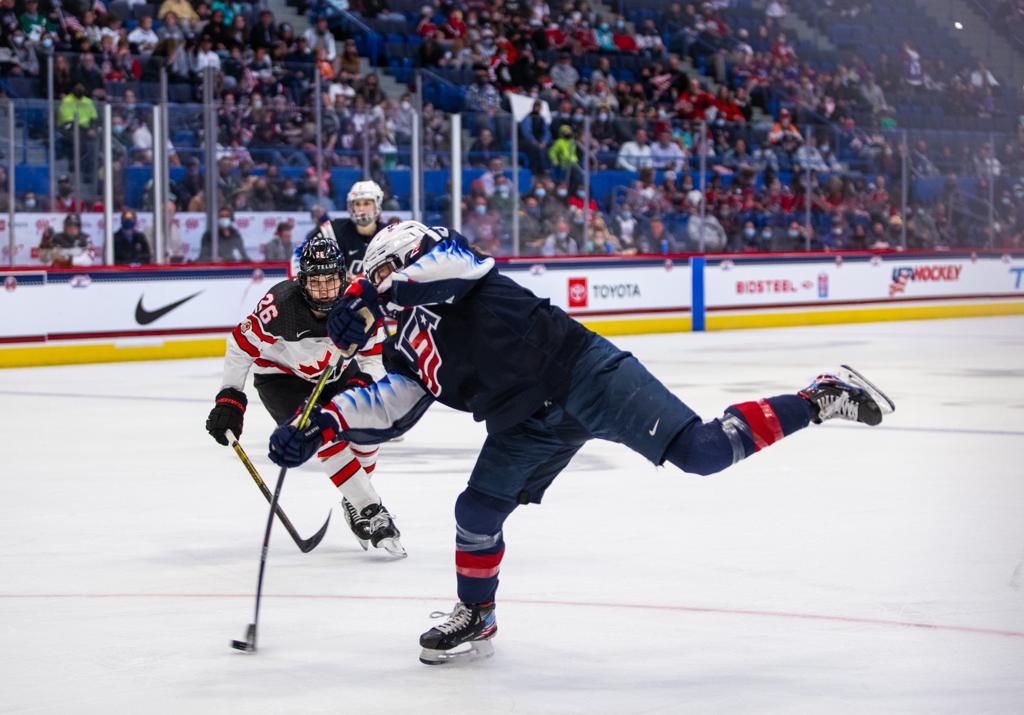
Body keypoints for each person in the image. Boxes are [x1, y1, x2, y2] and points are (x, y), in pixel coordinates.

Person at [266, 221, 895, 664]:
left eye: (379, 271)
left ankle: (818, 397)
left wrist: (373, 290)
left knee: (702, 453)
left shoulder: (446, 263)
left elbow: (451, 266)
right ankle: (477, 614)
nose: (374, 284)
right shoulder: (402, 343)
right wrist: (321, 425)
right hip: (523, 422)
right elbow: (391, 405)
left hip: (585, 373)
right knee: (476, 512)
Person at [206, 234, 404, 556]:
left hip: (337, 373)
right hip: (282, 378)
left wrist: (362, 385)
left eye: (331, 281)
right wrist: (230, 399)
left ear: (343, 277)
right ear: (301, 281)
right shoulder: (280, 306)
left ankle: (354, 498)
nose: (324, 290)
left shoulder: (360, 302)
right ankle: (370, 509)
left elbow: (374, 355)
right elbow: (240, 347)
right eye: (315, 282)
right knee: (321, 435)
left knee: (369, 426)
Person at [299, 181, 385, 280]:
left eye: (366, 204)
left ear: (377, 205)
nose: (361, 209)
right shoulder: (333, 231)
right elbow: (301, 254)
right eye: (357, 204)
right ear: (351, 207)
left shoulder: (388, 234)